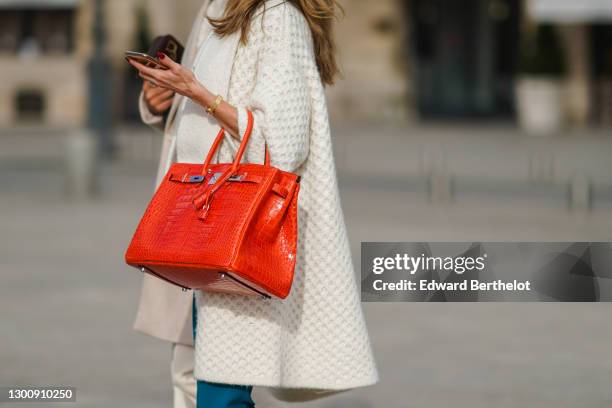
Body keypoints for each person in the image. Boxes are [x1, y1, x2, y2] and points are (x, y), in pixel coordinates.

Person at [128, 0, 378, 407]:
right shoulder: (216, 7)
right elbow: (203, 116)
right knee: (196, 383)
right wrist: (169, 99)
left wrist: (197, 93)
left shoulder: (277, 16)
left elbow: (282, 142)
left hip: (235, 229)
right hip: (198, 225)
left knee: (217, 393)